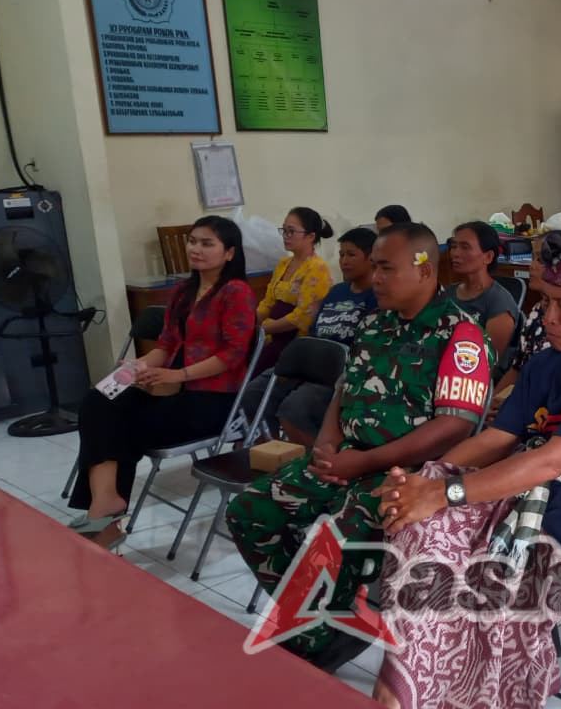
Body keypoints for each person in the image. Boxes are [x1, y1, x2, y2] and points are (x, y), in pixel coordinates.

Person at [368, 245, 561, 709]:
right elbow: (499, 438)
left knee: (494, 590)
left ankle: (473, 695)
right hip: (519, 492)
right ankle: (407, 683)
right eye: (545, 301)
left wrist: (445, 492)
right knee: (420, 535)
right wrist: (428, 479)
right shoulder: (545, 363)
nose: (549, 316)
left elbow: (549, 462)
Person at [226, 222, 492, 670]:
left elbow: (454, 426)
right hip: (348, 458)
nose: (377, 278)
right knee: (249, 511)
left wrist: (362, 462)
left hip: (405, 477)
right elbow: (344, 389)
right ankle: (320, 628)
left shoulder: (460, 334)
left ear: (424, 270)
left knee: (334, 537)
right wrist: (328, 442)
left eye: (387, 268)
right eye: (375, 268)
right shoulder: (375, 322)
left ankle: (309, 643)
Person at [67, 216, 257, 549]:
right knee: (99, 400)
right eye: (193, 241)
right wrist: (137, 367)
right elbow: (166, 345)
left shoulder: (236, 292)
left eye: (206, 243)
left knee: (120, 425)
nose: (195, 249)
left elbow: (233, 355)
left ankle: (105, 516)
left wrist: (178, 374)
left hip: (212, 399)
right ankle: (106, 502)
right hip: (172, 388)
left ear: (229, 253)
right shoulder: (184, 290)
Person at [239, 226, 378, 447]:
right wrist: (295, 366)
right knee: (253, 393)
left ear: (372, 259)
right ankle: (274, 451)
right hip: (310, 367)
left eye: (351, 255)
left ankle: (320, 462)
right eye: (341, 254)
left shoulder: (377, 296)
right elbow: (314, 331)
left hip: (338, 375)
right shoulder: (337, 292)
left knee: (294, 408)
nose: (344, 261)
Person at [488, 226, 561, 416]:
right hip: (523, 401)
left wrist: (513, 407)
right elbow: (517, 369)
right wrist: (491, 404)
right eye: (532, 257)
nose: (531, 265)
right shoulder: (537, 311)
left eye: (539, 260)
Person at [252, 206, 334, 375]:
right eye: (284, 230)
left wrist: (265, 329)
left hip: (293, 340)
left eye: (291, 232)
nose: (285, 236)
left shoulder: (317, 268)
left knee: (257, 373)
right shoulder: (283, 264)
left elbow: (303, 316)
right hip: (270, 334)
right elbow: (268, 302)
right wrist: (251, 324)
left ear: (311, 236)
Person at [447, 220, 520, 368]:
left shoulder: (499, 304)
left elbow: (486, 363)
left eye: (465, 247)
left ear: (488, 257)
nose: (455, 253)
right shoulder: (446, 293)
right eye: (453, 246)